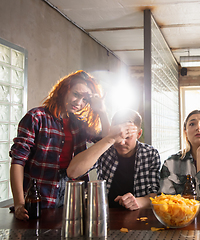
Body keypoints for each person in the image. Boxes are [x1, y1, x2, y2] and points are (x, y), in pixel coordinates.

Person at [10, 70, 110, 220]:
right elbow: (18, 161)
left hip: (73, 196)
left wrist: (102, 111)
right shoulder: (36, 117)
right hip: (40, 196)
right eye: (76, 94)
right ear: (65, 89)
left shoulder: (79, 124)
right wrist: (19, 202)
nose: (79, 103)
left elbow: (106, 141)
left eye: (85, 100)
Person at [67, 109, 161, 210]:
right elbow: (72, 172)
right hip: (105, 213)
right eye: (118, 136)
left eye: (128, 137)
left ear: (138, 134)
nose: (121, 142)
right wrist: (110, 139)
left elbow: (154, 195)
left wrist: (138, 202)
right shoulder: (105, 149)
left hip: (139, 216)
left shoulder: (150, 154)